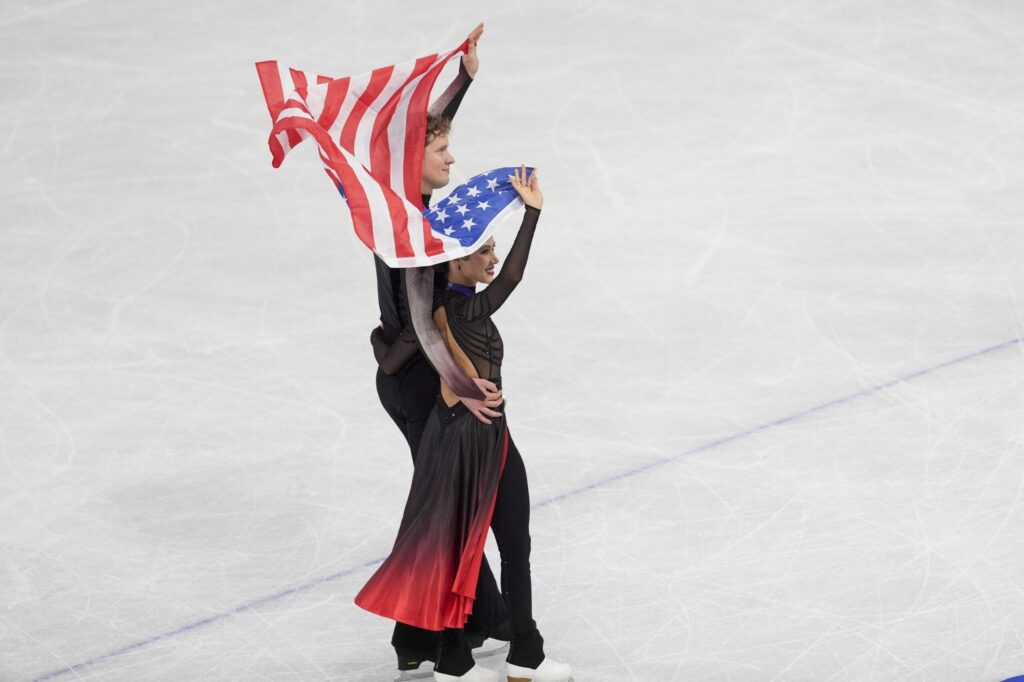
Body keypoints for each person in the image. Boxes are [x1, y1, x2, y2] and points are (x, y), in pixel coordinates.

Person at [356, 166, 572, 682]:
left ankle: (526, 653)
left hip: (493, 434)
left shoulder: (450, 309)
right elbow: (512, 278)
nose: (493, 259)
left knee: (513, 542)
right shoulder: (458, 310)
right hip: (461, 438)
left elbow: (394, 352)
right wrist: (532, 214)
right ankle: (455, 661)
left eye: (493, 249)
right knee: (458, 549)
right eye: (484, 251)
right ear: (456, 260)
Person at [368, 24, 512, 678]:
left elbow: (423, 136)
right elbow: (427, 328)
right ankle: (437, 632)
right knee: (444, 506)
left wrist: (464, 80)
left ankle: (469, 621)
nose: (452, 160)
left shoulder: (406, 202)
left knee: (446, 501)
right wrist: (466, 383)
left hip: (416, 372)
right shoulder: (408, 232)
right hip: (420, 378)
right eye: (442, 151)